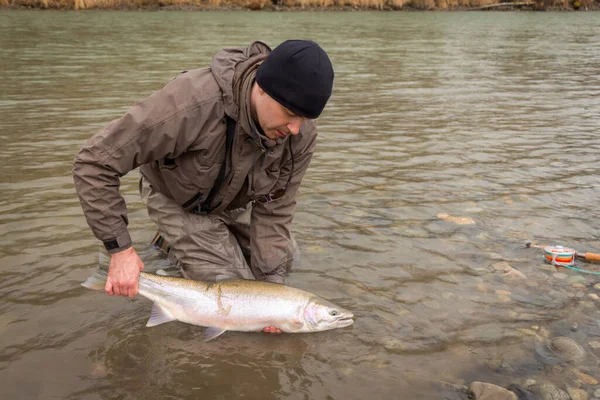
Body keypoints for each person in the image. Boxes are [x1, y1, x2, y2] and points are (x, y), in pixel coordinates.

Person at [73, 40, 334, 333]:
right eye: (290, 113)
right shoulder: (191, 102)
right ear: (262, 87)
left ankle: (172, 246)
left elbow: (276, 211)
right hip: (175, 196)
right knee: (228, 282)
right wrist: (119, 250)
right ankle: (173, 243)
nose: (296, 129)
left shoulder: (300, 135)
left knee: (284, 259)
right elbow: (94, 161)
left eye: (305, 118)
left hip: (234, 198)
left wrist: (272, 296)